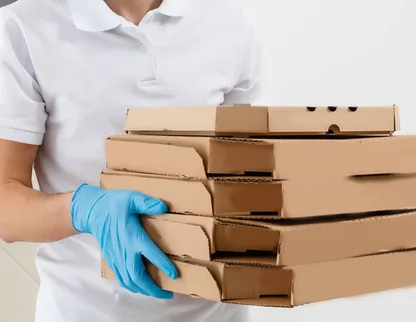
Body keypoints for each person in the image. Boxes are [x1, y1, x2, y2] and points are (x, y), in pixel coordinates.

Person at [0, 0, 263, 321]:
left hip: (220, 312)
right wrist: (84, 210)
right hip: (86, 312)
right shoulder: (22, 27)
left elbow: (253, 166)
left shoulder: (227, 18)